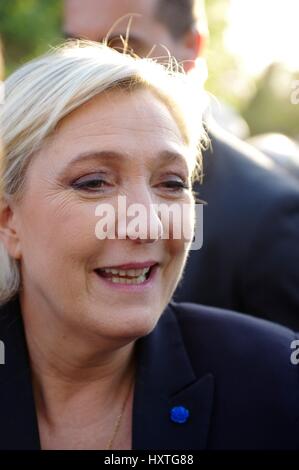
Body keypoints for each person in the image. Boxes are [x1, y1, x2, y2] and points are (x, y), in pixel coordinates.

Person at [0, 41, 298, 450]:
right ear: (8, 221)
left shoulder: (276, 380)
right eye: (94, 183)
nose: (149, 221)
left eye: (172, 184)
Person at [64, 0, 299, 330]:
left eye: (121, 47)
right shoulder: (30, 174)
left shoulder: (267, 212)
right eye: (75, 48)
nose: (89, 73)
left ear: (191, 47)